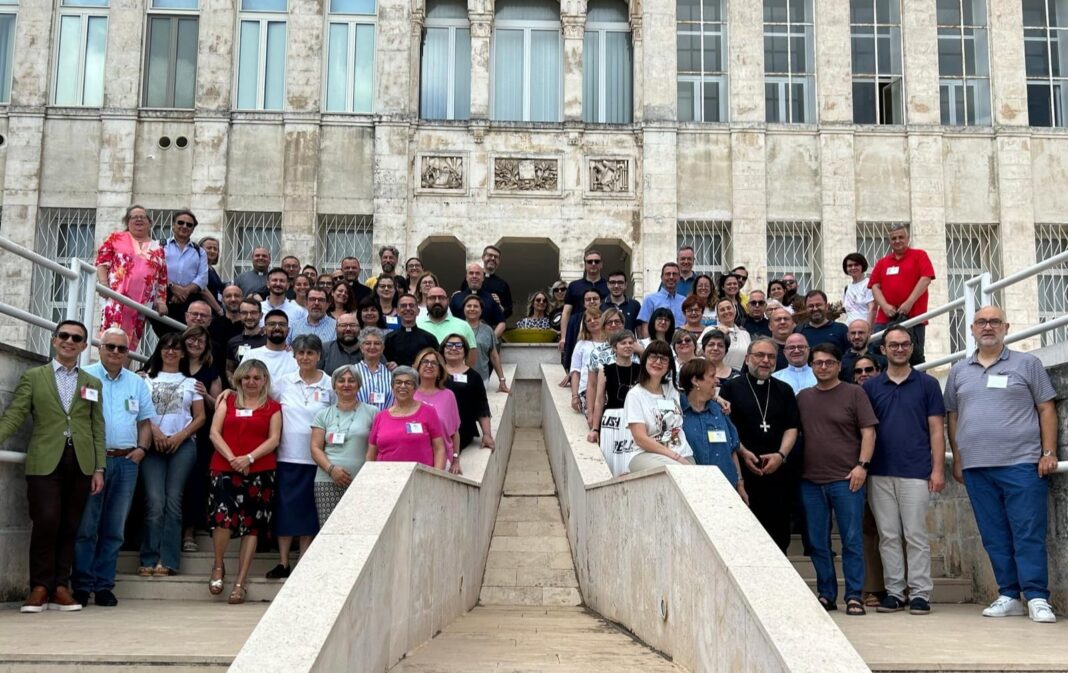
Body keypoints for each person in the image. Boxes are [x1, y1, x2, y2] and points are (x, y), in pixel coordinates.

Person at [944, 306, 1059, 623]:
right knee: (993, 535)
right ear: (972, 329)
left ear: (1006, 327)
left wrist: (1048, 452)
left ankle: (1036, 596)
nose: (988, 326)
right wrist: (959, 458)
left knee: (1027, 532)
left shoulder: (1027, 364)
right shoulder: (959, 371)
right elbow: (952, 416)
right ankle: (1009, 595)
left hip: (1021, 463)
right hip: (976, 467)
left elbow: (1046, 409)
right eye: (981, 322)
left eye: (994, 321)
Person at [0, 320, 105, 613]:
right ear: (54, 340)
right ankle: (40, 586)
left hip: (81, 462)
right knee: (46, 521)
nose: (70, 341)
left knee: (72, 524)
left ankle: (61, 586)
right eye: (64, 336)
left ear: (84, 346)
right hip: (45, 459)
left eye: (77, 338)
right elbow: (16, 414)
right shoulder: (34, 377)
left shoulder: (92, 383)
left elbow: (98, 427)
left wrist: (99, 468)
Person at [862, 325, 945, 615]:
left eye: (904, 344)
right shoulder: (870, 387)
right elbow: (865, 431)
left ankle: (920, 593)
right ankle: (895, 592)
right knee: (887, 535)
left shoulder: (928, 384)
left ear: (911, 348)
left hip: (916, 470)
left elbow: (936, 430)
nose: (899, 349)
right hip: (880, 471)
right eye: (893, 345)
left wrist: (937, 470)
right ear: (883, 350)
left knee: (915, 534)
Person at [72, 328, 155, 607]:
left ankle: (104, 585)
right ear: (99, 347)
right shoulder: (85, 376)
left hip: (126, 462)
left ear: (128, 353)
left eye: (122, 349)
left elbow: (144, 422)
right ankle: (82, 585)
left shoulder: (137, 383)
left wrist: (142, 450)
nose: (116, 353)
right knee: (87, 526)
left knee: (115, 528)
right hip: (91, 461)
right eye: (110, 346)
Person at [796, 344, 878, 615]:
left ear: (839, 365)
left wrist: (862, 467)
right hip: (810, 481)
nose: (823, 367)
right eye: (818, 363)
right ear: (811, 365)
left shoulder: (854, 393)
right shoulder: (803, 397)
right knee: (818, 543)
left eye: (829, 362)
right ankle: (826, 594)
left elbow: (869, 432)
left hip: (847, 479)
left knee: (852, 540)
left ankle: (854, 595)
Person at [207, 359, 282, 604]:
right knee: (223, 519)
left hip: (259, 470)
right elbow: (214, 432)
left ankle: (240, 582)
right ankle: (218, 566)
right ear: (239, 379)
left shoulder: (273, 407)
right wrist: (232, 458)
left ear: (264, 381)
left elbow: (274, 439)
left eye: (257, 378)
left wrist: (249, 457)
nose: (251, 382)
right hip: (224, 467)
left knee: (252, 526)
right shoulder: (227, 401)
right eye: (246, 377)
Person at [718, 338, 800, 553]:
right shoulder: (731, 388)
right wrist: (744, 453)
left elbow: (792, 427)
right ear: (747, 358)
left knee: (779, 535)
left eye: (771, 356)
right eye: (759, 355)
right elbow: (727, 427)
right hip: (744, 472)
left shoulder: (784, 390)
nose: (765, 360)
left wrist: (781, 455)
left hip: (777, 473)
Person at [139, 332, 205, 577]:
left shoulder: (190, 382)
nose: (170, 351)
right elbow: (140, 412)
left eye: (176, 348)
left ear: (182, 353)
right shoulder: (145, 379)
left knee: (174, 501)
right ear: (159, 351)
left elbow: (200, 416)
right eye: (166, 347)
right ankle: (148, 556)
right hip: (152, 445)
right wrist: (155, 432)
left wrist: (180, 436)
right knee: (155, 501)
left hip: (183, 446)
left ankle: (168, 560)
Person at [267, 335, 330, 579]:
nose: (305, 358)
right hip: (287, 456)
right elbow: (265, 404)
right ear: (295, 356)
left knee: (308, 512)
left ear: (318, 356)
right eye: (301, 353)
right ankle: (283, 562)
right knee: (285, 510)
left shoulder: (329, 383)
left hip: (317, 458)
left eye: (311, 353)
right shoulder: (283, 382)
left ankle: (304, 560)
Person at [95, 205, 169, 352]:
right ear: (127, 222)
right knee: (111, 337)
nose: (139, 219)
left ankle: (121, 373)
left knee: (129, 344)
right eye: (134, 217)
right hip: (116, 298)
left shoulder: (158, 248)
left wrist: (161, 301)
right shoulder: (116, 238)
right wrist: (103, 283)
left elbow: (162, 278)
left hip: (141, 304)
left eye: (143, 217)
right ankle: (105, 373)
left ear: (149, 222)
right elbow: (102, 262)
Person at [310, 365, 377, 525]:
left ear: (359, 385)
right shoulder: (323, 415)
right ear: (334, 386)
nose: (346, 384)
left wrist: (367, 475)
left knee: (359, 528)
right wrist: (332, 470)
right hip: (327, 480)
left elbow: (376, 447)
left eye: (351, 381)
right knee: (329, 529)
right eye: (341, 381)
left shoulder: (373, 412)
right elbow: (315, 448)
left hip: (361, 480)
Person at [179, 326, 223, 553]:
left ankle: (190, 530)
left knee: (196, 480)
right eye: (192, 340)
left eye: (201, 341)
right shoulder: (171, 363)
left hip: (201, 434)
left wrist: (205, 394)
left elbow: (219, 406)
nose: (196, 344)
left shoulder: (211, 370)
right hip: (170, 432)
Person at [679, 358, 747, 503]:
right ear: (696, 381)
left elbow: (732, 449)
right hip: (693, 492)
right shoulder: (677, 411)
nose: (717, 380)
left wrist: (740, 483)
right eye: (711, 376)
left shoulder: (720, 410)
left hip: (727, 488)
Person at [623, 341, 695, 472]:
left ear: (669, 366)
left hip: (682, 452)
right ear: (645, 360)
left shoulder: (672, 389)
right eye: (653, 357)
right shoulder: (635, 395)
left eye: (663, 359)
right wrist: (676, 457)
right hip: (646, 454)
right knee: (679, 473)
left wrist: (718, 398)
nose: (658, 362)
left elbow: (698, 394)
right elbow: (640, 439)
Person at [869, 224, 936, 364]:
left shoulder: (919, 255)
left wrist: (909, 302)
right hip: (885, 319)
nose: (897, 241)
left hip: (913, 317)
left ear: (908, 238)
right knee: (878, 355)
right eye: (893, 238)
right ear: (889, 241)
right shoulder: (882, 262)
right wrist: (885, 306)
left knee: (914, 356)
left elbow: (926, 279)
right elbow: (874, 286)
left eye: (901, 237)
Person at [366, 366, 447, 469]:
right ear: (392, 386)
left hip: (419, 478)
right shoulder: (380, 417)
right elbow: (371, 454)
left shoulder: (428, 412)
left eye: (408, 383)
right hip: (386, 479)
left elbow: (439, 449)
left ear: (415, 387)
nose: (403, 386)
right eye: (398, 382)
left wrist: (437, 477)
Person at [585, 329, 640, 476]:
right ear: (615, 347)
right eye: (623, 343)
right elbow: (599, 400)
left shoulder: (640, 370)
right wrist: (595, 429)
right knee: (611, 460)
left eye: (631, 342)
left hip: (633, 419)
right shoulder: (605, 369)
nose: (628, 346)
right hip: (611, 420)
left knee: (631, 461)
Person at [441, 334, 496, 452]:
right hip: (438, 428)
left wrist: (487, 435)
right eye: (449, 345)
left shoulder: (474, 377)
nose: (453, 348)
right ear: (443, 349)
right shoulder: (435, 374)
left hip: (462, 430)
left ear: (465, 351)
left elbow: (482, 406)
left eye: (458, 346)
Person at [159, 209, 208, 337]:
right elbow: (155, 271)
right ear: (173, 225)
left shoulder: (200, 251)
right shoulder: (160, 246)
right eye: (181, 222)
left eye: (189, 224)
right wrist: (173, 287)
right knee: (166, 337)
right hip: (163, 297)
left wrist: (184, 291)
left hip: (187, 300)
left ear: (192, 229)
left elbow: (202, 278)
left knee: (185, 336)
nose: (184, 226)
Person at [413, 348, 462, 474]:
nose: (429, 365)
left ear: (440, 370)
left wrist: (456, 460)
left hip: (441, 459)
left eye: (434, 363)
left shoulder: (448, 396)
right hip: (413, 457)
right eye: (425, 362)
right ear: (417, 367)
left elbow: (454, 432)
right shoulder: (408, 394)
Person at [560, 251, 609, 375]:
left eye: (596, 261)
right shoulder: (574, 286)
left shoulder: (608, 285)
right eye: (589, 261)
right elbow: (566, 312)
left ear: (601, 264)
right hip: (577, 330)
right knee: (574, 362)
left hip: (601, 332)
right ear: (585, 264)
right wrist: (563, 337)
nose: (593, 264)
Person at [461, 295, 509, 392]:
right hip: (459, 378)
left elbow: (494, 356)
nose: (472, 308)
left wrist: (502, 380)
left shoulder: (488, 330)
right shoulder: (456, 327)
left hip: (481, 379)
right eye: (469, 306)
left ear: (481, 310)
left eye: (476, 306)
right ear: (464, 309)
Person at [418, 287, 478, 360]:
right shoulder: (417, 324)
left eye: (441, 298)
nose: (437, 301)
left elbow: (471, 355)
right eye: (432, 298)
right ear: (426, 301)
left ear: (448, 301)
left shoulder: (463, 326)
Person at [459, 245, 514, 319]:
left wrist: (500, 305)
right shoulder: (472, 278)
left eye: (496, 257)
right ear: (483, 257)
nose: (493, 258)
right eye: (490, 255)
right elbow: (460, 300)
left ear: (499, 261)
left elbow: (509, 310)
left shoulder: (503, 284)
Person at [450, 263, 506, 336]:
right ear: (466, 277)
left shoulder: (491, 298)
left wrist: (491, 340)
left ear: (483, 278)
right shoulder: (456, 297)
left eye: (477, 273)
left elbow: (502, 323)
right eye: (471, 273)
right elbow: (449, 321)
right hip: (461, 343)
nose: (474, 276)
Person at [242, 309, 298, 382]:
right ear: (264, 329)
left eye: (282, 324)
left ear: (288, 330)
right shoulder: (251, 355)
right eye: (272, 324)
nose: (277, 327)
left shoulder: (297, 358)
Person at [385, 293, 439, 368]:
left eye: (411, 305)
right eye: (403, 306)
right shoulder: (389, 339)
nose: (408, 309)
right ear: (397, 311)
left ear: (418, 311)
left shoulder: (430, 339)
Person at [569, 307, 604, 416]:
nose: (592, 321)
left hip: (607, 390)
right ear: (585, 325)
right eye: (589, 320)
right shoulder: (581, 344)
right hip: (586, 390)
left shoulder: (612, 342)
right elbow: (575, 371)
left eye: (596, 318)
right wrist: (575, 396)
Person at [637, 262, 686, 335]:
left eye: (674, 274)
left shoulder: (684, 301)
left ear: (679, 278)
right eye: (668, 274)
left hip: (680, 343)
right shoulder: (650, 299)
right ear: (662, 277)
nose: (671, 277)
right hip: (658, 343)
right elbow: (645, 326)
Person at [225, 297, 266, 383]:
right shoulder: (233, 342)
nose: (249, 317)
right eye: (244, 313)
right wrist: (236, 386)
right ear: (239, 315)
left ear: (261, 315)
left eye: (253, 313)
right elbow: (229, 369)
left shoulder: (269, 341)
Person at [702, 299, 750, 371]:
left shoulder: (745, 334)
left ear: (734, 310)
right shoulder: (711, 330)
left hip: (740, 376)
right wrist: (718, 334)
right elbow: (698, 351)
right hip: (716, 373)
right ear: (717, 315)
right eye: (722, 310)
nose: (726, 311)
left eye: (729, 308)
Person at [355, 327, 394, 411]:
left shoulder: (390, 373)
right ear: (361, 347)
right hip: (358, 420)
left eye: (377, 343)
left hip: (385, 421)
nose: (372, 347)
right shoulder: (353, 372)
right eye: (368, 343)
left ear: (383, 348)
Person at [842, 253, 876, 326]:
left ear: (862, 266)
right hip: (850, 329)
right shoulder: (847, 288)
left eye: (856, 265)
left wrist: (868, 329)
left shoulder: (869, 284)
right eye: (850, 266)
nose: (853, 268)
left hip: (863, 328)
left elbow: (872, 309)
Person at [199, 235, 225, 310]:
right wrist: (219, 310)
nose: (212, 251)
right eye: (209, 248)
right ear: (200, 250)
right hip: (203, 310)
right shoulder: (199, 267)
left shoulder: (211, 269)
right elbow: (203, 290)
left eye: (215, 249)